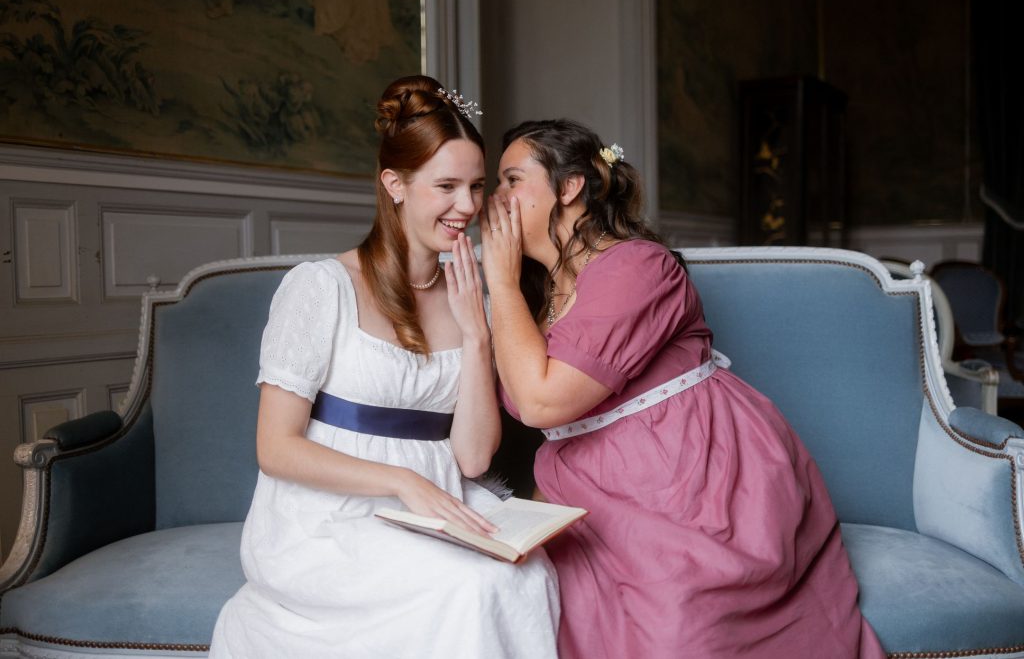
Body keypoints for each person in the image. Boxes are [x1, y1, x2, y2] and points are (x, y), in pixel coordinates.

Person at [480, 119, 885, 659]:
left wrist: (501, 282)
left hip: (693, 479)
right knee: (512, 601)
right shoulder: (537, 299)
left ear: (570, 187)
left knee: (674, 624)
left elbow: (539, 401)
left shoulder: (637, 267)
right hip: (587, 485)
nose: (495, 198)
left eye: (511, 180)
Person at [209, 77, 559, 658]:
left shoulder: (477, 295)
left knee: (529, 574)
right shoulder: (321, 288)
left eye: (476, 186)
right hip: (326, 520)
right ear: (394, 184)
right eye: (446, 186)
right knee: (471, 586)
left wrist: (476, 335)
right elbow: (275, 448)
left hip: (440, 501)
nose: (468, 207)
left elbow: (472, 458)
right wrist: (403, 482)